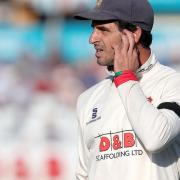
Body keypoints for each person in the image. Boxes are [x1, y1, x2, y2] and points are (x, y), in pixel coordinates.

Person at [74, 0, 180, 179]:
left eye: (104, 30)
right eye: (93, 29)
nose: (92, 39)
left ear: (134, 34)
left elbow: (156, 138)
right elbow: (82, 174)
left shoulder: (172, 83)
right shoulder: (88, 98)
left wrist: (124, 78)